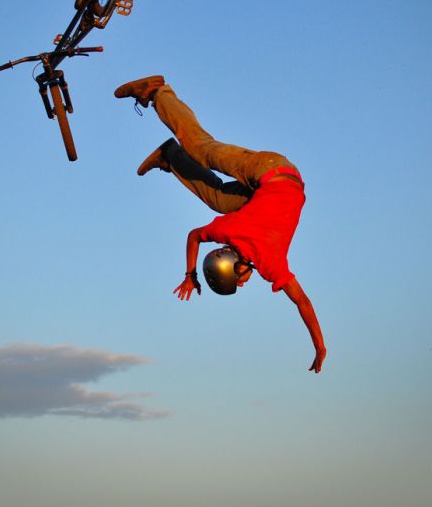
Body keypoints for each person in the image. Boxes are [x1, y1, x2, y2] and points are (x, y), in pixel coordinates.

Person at [114, 75, 326, 374]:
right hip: (269, 173)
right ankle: (164, 124)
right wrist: (190, 275)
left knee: (210, 174)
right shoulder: (241, 240)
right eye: (241, 282)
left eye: (239, 280)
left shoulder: (260, 253)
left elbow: (303, 301)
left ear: (234, 265)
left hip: (270, 177)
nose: (245, 282)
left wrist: (320, 345)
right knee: (209, 172)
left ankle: (163, 124)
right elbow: (194, 236)